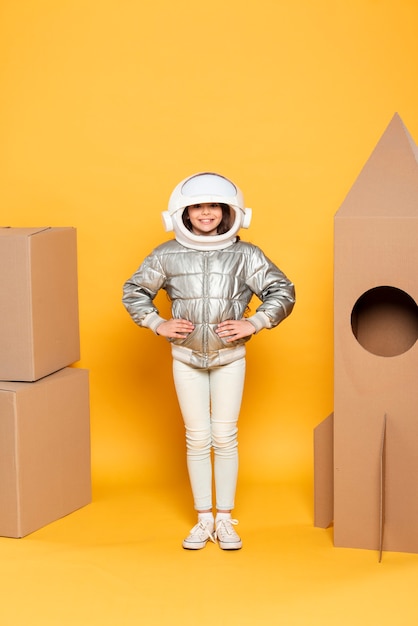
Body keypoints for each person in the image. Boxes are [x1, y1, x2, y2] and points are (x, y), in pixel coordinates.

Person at [122, 172, 295, 550]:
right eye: (198, 206)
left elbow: (282, 290)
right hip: (185, 358)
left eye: (213, 205)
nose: (206, 213)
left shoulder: (246, 255)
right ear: (182, 213)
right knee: (198, 438)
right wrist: (156, 322)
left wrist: (255, 321)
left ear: (229, 211)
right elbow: (134, 291)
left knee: (225, 436)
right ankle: (203, 519)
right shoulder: (165, 254)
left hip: (230, 357)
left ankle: (224, 520)